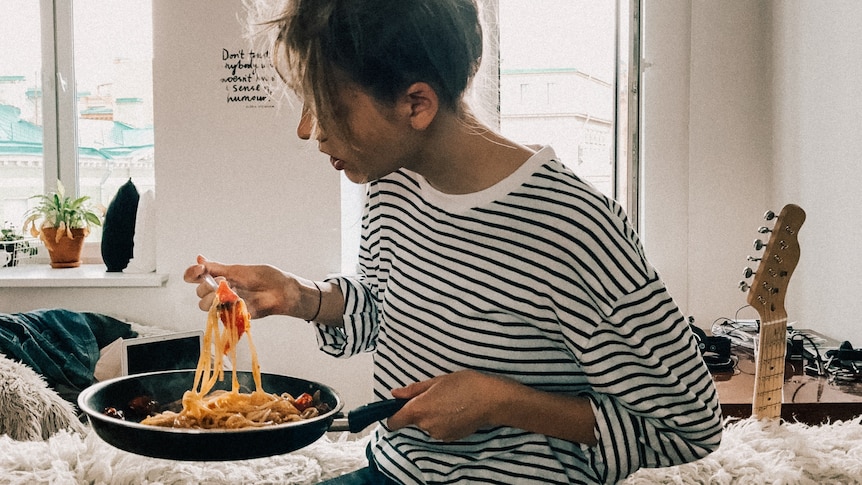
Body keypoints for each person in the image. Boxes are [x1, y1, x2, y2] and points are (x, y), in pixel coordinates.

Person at [185, 0, 723, 483]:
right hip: (394, 472)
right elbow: (386, 309)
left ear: (416, 103)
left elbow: (689, 426)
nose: (308, 131)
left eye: (324, 104)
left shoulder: (574, 228)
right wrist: (302, 297)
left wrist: (499, 402)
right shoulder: (392, 184)